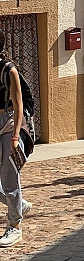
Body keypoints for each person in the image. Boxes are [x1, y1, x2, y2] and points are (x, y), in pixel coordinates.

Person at [0, 30, 32, 248]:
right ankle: (19, 204)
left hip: (10, 122)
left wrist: (14, 136)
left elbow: (19, 104)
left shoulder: (9, 70)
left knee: (9, 179)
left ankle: (14, 226)